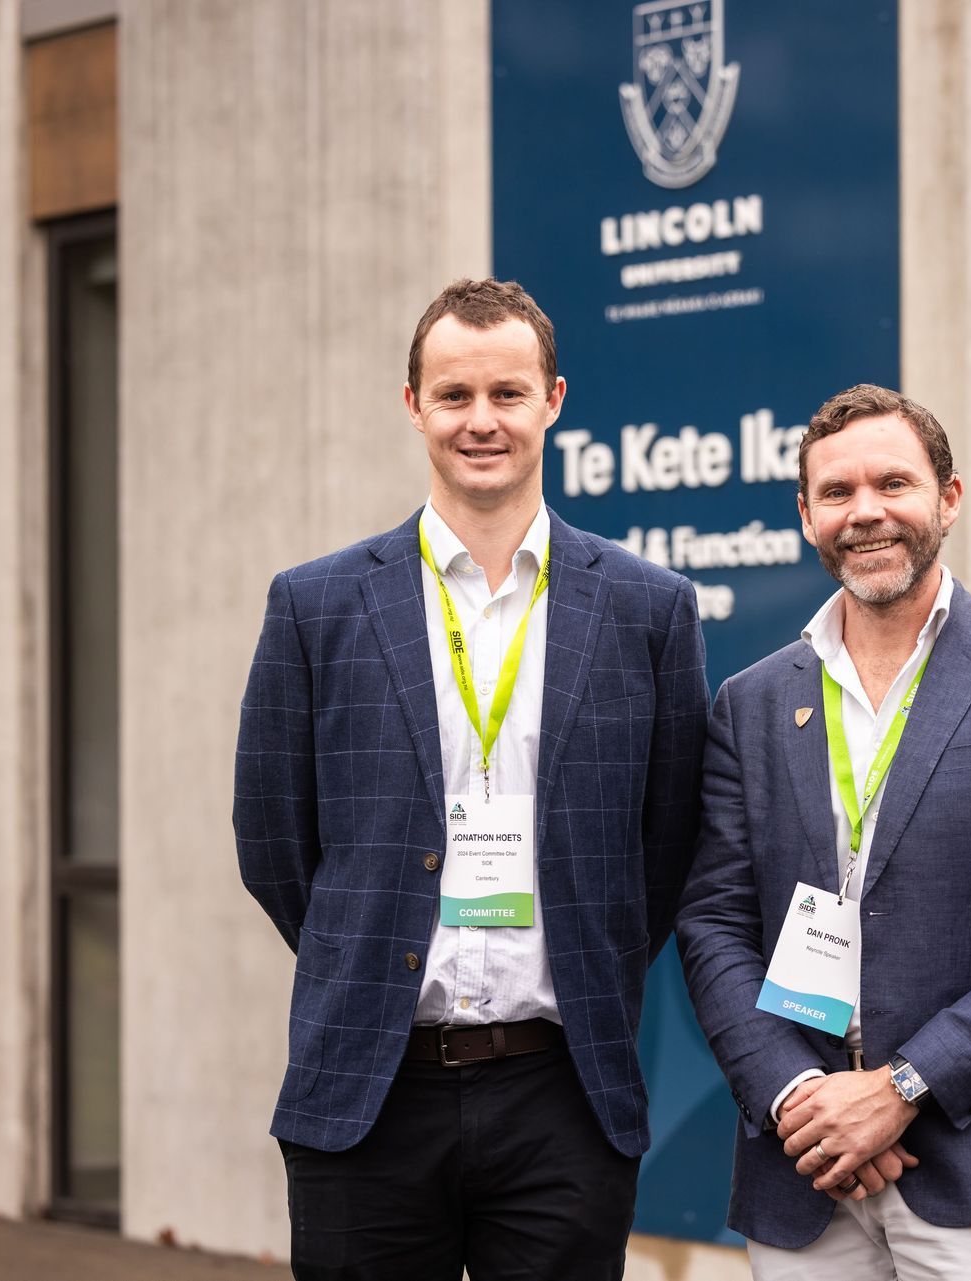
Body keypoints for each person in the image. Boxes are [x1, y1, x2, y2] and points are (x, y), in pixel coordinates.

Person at [234, 277, 708, 1281]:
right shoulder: (316, 607)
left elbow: (666, 849)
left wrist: (585, 952)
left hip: (564, 1094)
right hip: (369, 1089)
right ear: (413, 405)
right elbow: (274, 840)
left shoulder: (647, 609)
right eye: (454, 395)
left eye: (506, 393)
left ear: (554, 400)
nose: (480, 421)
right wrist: (368, 946)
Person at [676, 383, 971, 1279]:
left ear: (947, 498)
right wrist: (800, 1097)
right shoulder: (752, 702)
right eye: (837, 493)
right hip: (802, 1168)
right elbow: (713, 926)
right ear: (806, 516)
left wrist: (900, 1089)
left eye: (893, 482)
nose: (866, 512)